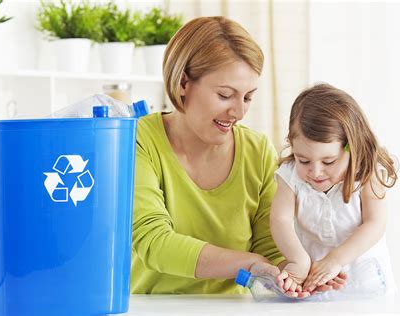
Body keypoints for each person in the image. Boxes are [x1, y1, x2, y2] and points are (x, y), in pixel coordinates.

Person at [130, 16, 345, 295]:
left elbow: (270, 246)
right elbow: (154, 242)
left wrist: (295, 275)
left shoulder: (258, 151)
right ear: (183, 83)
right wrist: (250, 264)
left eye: (247, 98)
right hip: (153, 308)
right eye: (225, 95)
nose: (239, 113)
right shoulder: (138, 141)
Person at [270, 83, 398, 298]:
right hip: (317, 284)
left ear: (352, 146)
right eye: (304, 160)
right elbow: (279, 220)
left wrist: (335, 259)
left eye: (329, 161)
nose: (316, 172)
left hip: (368, 284)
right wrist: (298, 260)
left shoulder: (368, 172)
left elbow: (375, 224)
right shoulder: (289, 175)